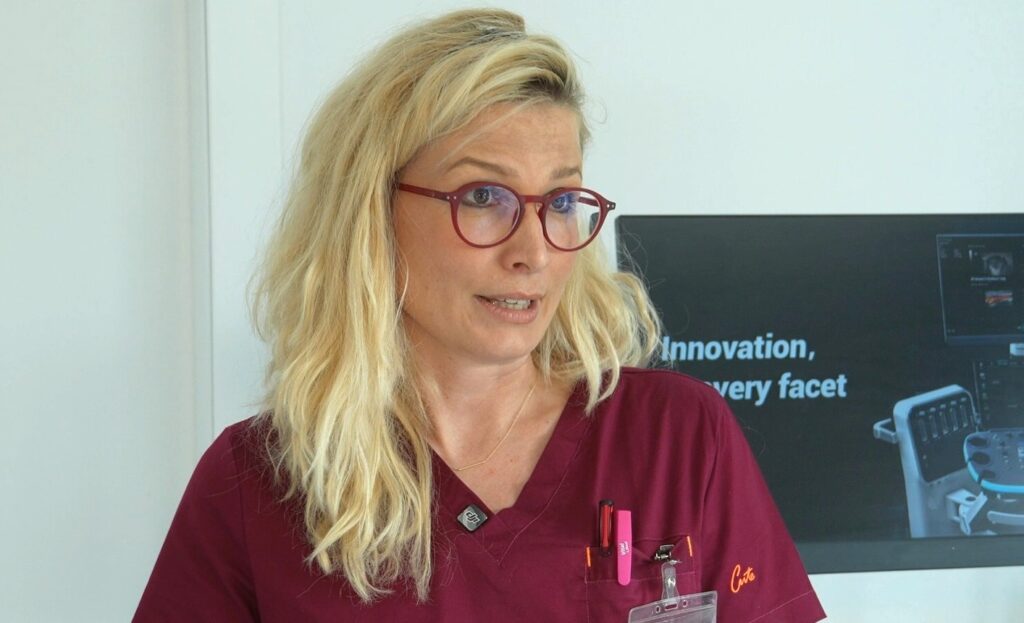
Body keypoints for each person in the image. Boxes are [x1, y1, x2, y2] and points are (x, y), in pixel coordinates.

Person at [134, 9, 826, 622]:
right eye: (484, 197)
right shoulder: (258, 482)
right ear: (371, 211)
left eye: (560, 202)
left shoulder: (676, 437)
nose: (534, 252)